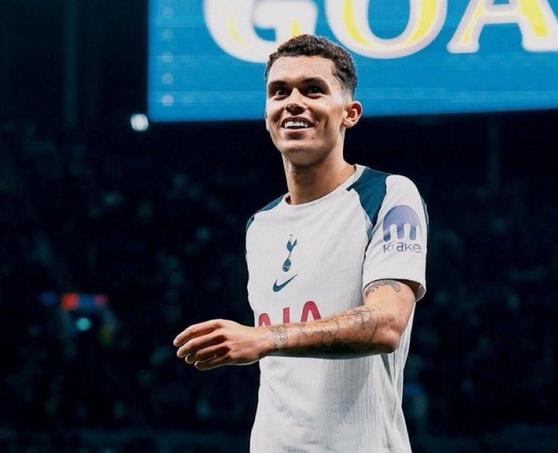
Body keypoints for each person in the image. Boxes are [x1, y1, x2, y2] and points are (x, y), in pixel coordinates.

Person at [173, 34, 428, 452]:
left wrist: (265, 338)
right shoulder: (260, 226)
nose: (293, 102)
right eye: (279, 92)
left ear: (350, 113)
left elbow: (386, 324)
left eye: (313, 90)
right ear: (267, 115)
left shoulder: (388, 194)